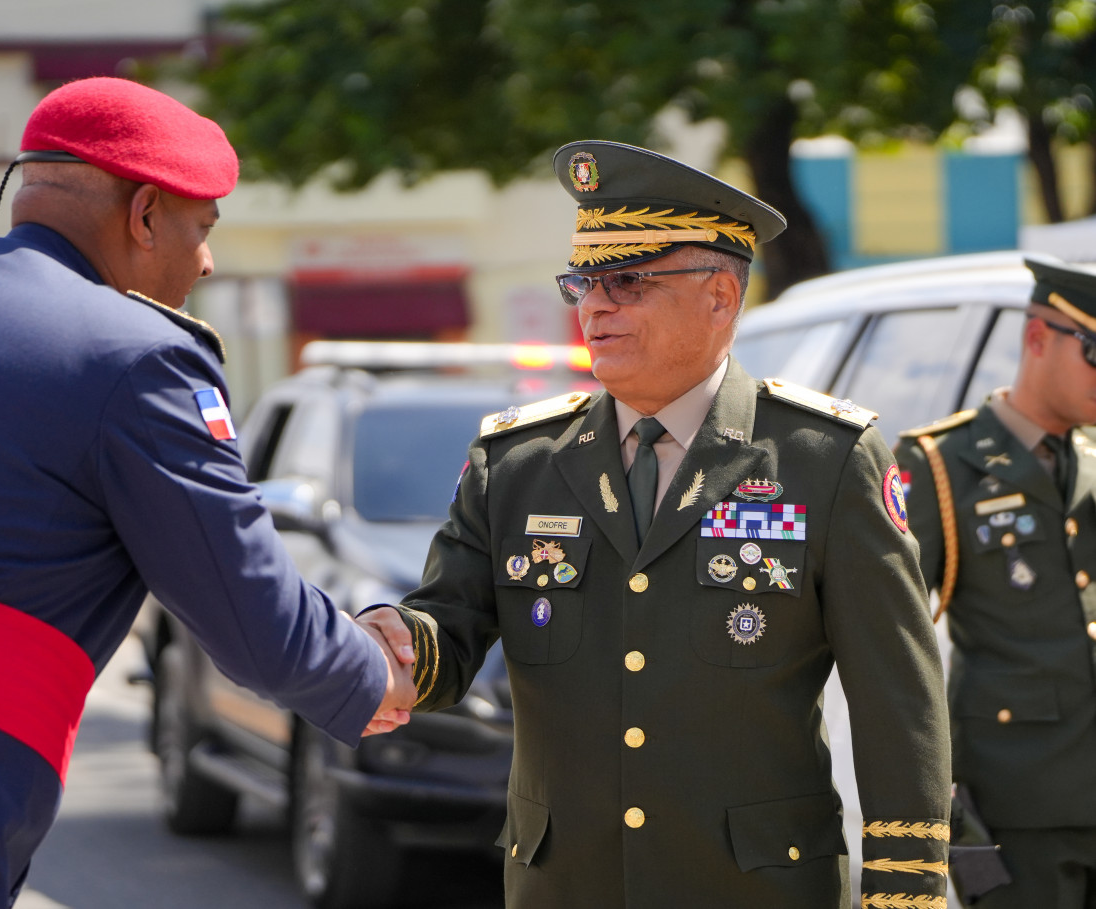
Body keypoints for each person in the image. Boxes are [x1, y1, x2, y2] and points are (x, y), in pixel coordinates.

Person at [0, 76, 413, 908]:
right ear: (145, 213)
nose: (206, 261)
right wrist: (372, 671)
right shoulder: (138, 358)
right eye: (202, 228)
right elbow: (247, 610)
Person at [359, 140, 951, 908]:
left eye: (628, 281)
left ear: (720, 296)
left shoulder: (824, 458)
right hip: (567, 886)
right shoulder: (517, 461)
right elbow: (450, 627)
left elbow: (897, 696)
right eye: (583, 282)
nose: (594, 306)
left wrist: (905, 890)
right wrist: (387, 647)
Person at [894, 257, 1096, 908]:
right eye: (1095, 353)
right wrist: (952, 822)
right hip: (1016, 819)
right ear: (1037, 337)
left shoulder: (1090, 460)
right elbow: (892, 651)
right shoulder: (938, 463)